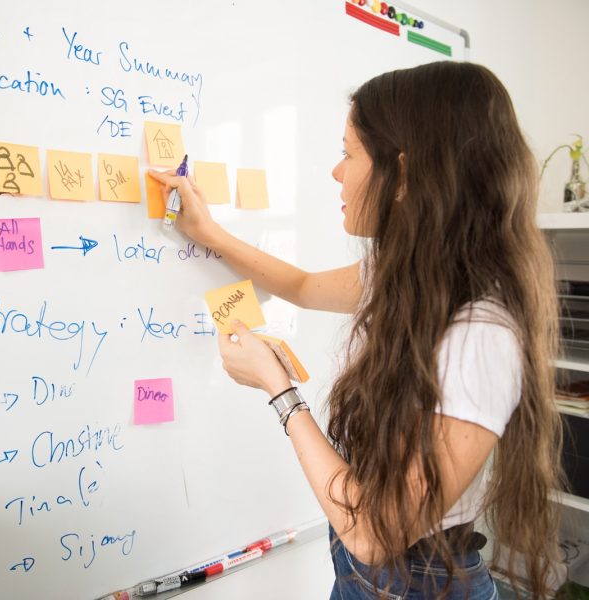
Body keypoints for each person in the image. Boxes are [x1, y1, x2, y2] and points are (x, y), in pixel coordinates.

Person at [149, 61, 563, 600]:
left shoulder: (480, 334)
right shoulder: (410, 275)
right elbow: (299, 285)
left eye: (348, 153)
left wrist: (280, 392)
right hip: (364, 578)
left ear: (406, 174)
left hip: (420, 583)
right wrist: (210, 233)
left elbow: (373, 531)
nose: (335, 172)